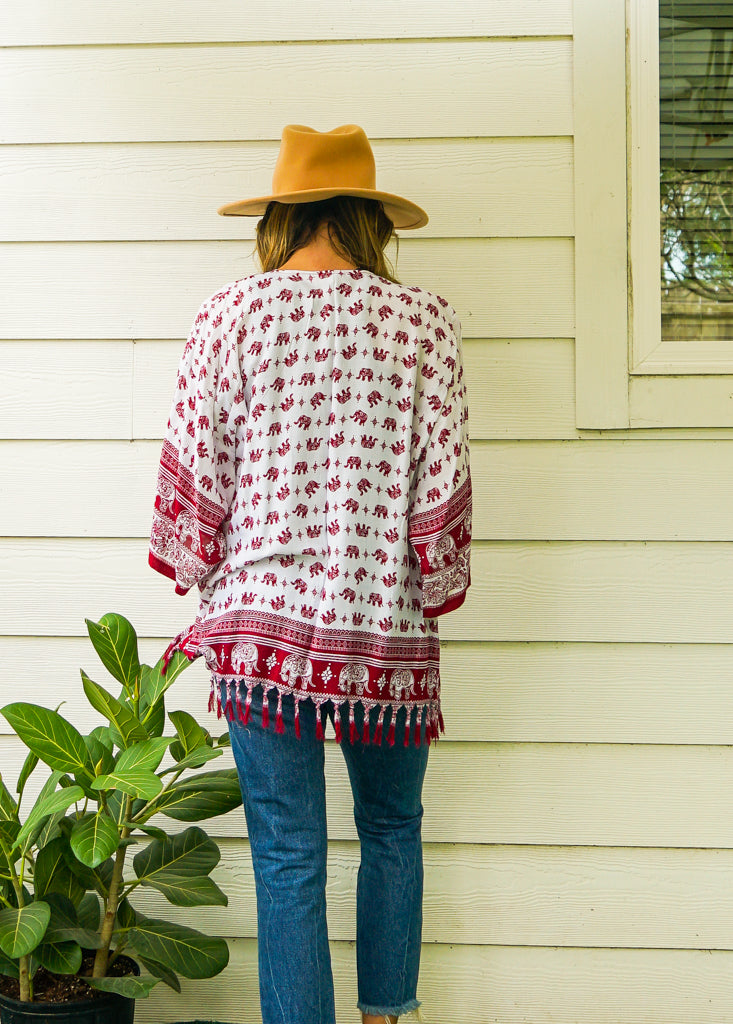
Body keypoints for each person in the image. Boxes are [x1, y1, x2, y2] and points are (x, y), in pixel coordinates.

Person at [148, 124, 472, 1024]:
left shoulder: (229, 314)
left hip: (259, 631)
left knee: (287, 854)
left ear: (280, 218)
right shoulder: (423, 322)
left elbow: (195, 478)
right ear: (370, 220)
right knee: (392, 834)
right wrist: (432, 576)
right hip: (384, 632)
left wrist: (201, 560)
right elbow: (437, 488)